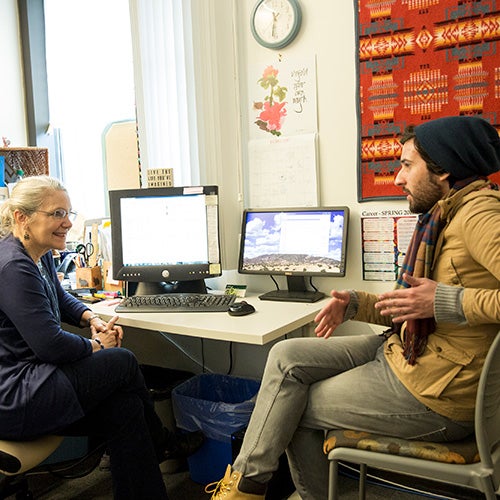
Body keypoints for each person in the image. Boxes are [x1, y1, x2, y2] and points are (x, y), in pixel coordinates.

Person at [206, 116, 500, 499]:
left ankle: (251, 490)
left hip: (435, 391)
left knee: (290, 406)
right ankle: (247, 485)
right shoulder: (445, 214)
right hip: (408, 353)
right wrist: (356, 305)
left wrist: (445, 300)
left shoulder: (478, 214)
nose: (398, 178)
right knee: (286, 354)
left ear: (443, 170)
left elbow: (433, 303)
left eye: (407, 165)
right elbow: (412, 305)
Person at [0, 176, 203, 499]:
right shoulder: (13, 266)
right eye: (56, 214)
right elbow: (50, 345)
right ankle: (163, 442)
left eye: (68, 213)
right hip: (15, 397)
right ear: (23, 218)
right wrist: (97, 345)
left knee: (124, 408)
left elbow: (60, 298)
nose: (67, 222)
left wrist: (91, 318)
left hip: (37, 381)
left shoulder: (37, 252)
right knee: (121, 360)